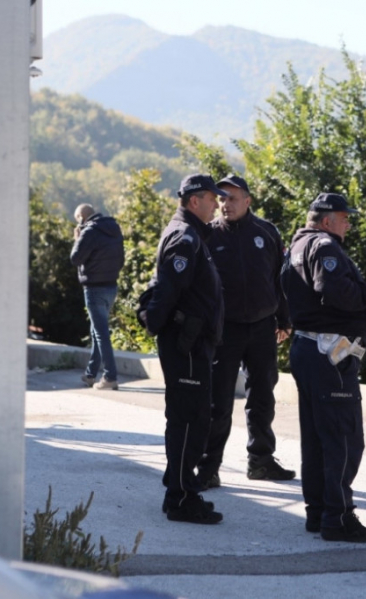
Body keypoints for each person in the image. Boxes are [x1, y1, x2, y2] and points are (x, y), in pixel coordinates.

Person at [281, 192, 366, 543]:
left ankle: (319, 512)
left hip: (309, 349)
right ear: (326, 221)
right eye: (344, 217)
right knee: (343, 438)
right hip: (328, 354)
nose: (348, 224)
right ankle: (338, 518)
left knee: (317, 439)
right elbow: (334, 291)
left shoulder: (296, 246)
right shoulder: (324, 246)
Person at [196, 175, 295, 489]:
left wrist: (284, 318)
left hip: (263, 327)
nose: (226, 204)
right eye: (222, 199)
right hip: (224, 330)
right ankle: (209, 467)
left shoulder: (266, 232)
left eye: (233, 198)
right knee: (219, 402)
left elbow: (280, 279)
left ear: (248, 201)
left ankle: (261, 461)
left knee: (262, 398)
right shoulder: (208, 234)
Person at [141, 174, 227, 525]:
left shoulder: (192, 235)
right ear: (195, 201)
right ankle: (180, 498)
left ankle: (180, 489)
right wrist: (159, 325)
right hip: (186, 343)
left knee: (194, 418)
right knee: (189, 421)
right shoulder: (185, 237)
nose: (217, 204)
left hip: (191, 343)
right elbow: (166, 290)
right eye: (212, 198)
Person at [69, 203, 125, 390]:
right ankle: (90, 374)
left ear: (81, 218)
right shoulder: (113, 228)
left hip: (94, 288)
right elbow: (121, 260)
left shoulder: (89, 232)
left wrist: (77, 239)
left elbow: (76, 258)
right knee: (97, 331)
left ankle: (110, 377)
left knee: (101, 333)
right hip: (111, 286)